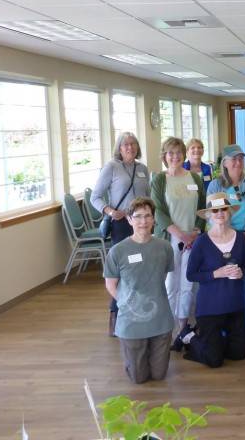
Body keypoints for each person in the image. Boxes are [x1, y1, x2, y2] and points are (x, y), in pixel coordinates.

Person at [104, 197, 174, 384]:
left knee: (159, 375)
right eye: (138, 216)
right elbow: (111, 285)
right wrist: (128, 303)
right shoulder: (118, 251)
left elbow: (163, 276)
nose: (143, 221)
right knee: (139, 378)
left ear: (153, 219)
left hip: (161, 319)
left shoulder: (165, 248)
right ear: (129, 219)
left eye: (148, 216)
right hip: (131, 322)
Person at [92, 131, 151, 336]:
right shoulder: (112, 167)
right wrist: (109, 211)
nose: (129, 147)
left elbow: (149, 196)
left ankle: (141, 311)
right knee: (124, 270)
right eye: (125, 144)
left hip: (142, 224)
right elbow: (95, 197)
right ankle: (116, 314)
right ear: (119, 148)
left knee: (142, 267)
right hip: (121, 224)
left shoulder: (142, 169)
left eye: (133, 144)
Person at [180, 193, 245, 368]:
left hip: (234, 306)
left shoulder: (240, 238)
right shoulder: (201, 242)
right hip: (210, 308)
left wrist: (241, 272)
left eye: (223, 209)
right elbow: (191, 274)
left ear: (229, 212)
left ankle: (214, 340)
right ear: (209, 215)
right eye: (215, 210)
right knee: (215, 360)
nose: (219, 213)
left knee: (239, 354)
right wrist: (215, 274)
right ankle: (189, 336)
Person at [151, 137, 206, 338]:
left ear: (184, 154)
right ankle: (169, 326)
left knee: (188, 283)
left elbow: (202, 208)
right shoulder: (159, 179)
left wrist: (195, 233)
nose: (174, 156)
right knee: (170, 282)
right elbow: (158, 211)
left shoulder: (195, 178)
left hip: (193, 239)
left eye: (178, 152)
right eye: (170, 153)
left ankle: (183, 325)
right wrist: (181, 235)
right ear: (165, 156)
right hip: (170, 238)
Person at [206, 144, 245, 344]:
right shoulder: (216, 186)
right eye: (233, 159)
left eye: (241, 158)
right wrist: (229, 235)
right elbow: (211, 214)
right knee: (225, 287)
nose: (238, 162)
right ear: (225, 163)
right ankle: (224, 329)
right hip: (224, 242)